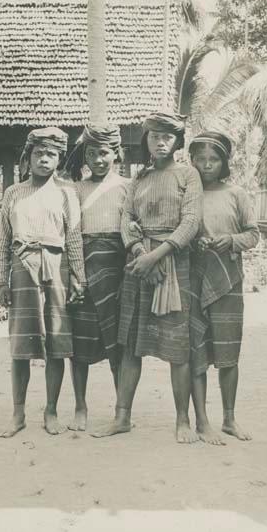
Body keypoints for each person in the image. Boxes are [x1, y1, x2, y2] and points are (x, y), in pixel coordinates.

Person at [92, 111, 203, 443]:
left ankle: (183, 421)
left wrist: (156, 256)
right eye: (154, 135)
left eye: (167, 136)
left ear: (177, 141)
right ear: (147, 140)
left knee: (177, 347)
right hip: (139, 266)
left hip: (174, 264)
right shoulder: (138, 178)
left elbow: (191, 221)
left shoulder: (188, 175)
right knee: (130, 346)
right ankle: (122, 417)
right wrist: (139, 252)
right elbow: (126, 218)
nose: (161, 141)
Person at [0, 128, 86, 437]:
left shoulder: (66, 192)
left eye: (51, 154)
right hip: (22, 267)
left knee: (57, 342)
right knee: (21, 343)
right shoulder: (13, 193)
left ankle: (51, 410)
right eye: (38, 153)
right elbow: (3, 239)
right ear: (28, 157)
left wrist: (78, 277)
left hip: (56, 267)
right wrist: (0, 281)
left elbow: (73, 238)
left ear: (59, 159)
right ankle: (17, 414)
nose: (44, 159)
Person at [188, 131, 259, 444]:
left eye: (213, 160)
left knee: (229, 351)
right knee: (196, 350)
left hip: (229, 280)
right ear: (191, 161)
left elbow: (254, 235)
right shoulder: (187, 194)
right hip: (193, 276)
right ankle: (202, 421)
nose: (206, 165)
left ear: (224, 162)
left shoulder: (236, 194)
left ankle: (229, 419)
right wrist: (194, 240)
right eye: (200, 160)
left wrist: (229, 239)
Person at [66, 123, 130, 431]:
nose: (98, 160)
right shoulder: (76, 189)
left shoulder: (129, 187)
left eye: (104, 153)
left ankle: (121, 409)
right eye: (92, 154)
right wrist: (77, 274)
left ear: (115, 153)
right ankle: (80, 405)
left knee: (119, 341)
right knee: (80, 342)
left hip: (118, 267)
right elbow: (72, 234)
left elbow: (133, 228)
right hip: (84, 265)